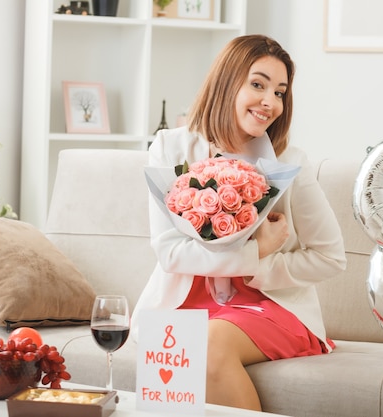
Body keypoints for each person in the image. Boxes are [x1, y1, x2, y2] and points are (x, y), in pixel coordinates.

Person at [131, 34, 346, 411]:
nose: (270, 102)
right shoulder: (170, 148)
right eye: (258, 84)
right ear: (228, 81)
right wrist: (256, 249)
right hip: (186, 304)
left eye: (280, 92)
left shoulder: (290, 161)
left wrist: (261, 267)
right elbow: (169, 252)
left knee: (208, 344)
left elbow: (331, 257)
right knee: (173, 355)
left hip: (271, 307)